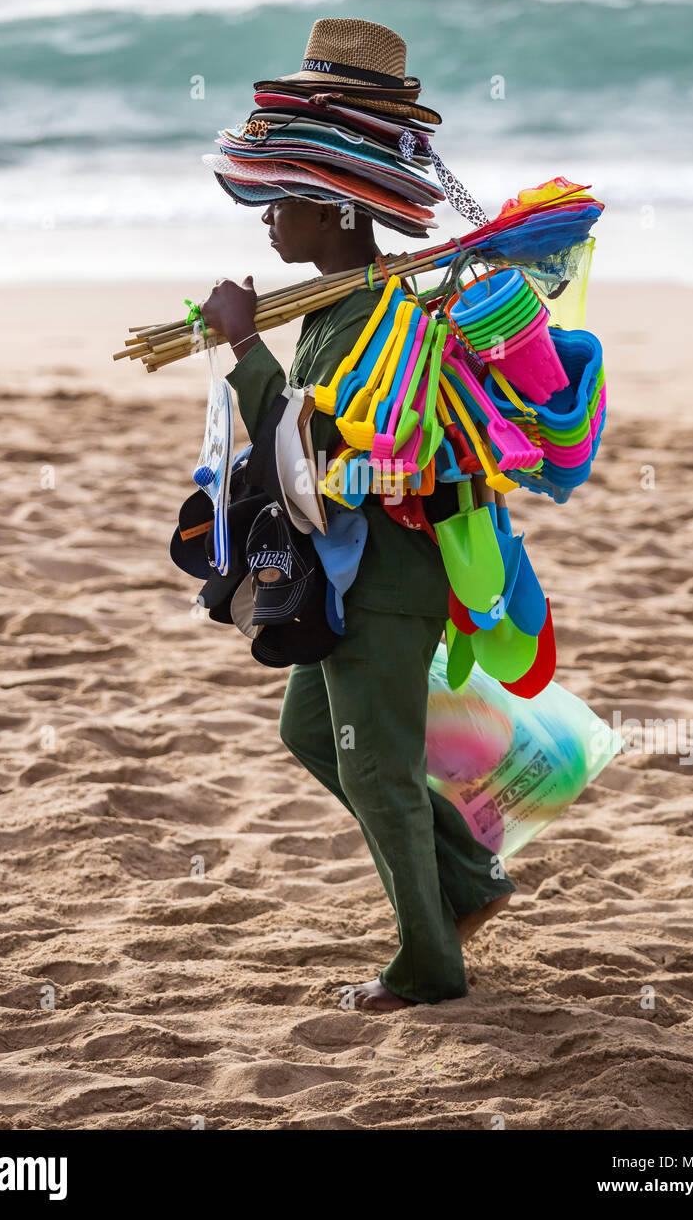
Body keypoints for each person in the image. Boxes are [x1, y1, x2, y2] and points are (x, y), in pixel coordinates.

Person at [199, 195, 515, 1012]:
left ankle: (428, 969)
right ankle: (470, 877)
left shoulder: (384, 312)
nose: (267, 217)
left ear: (339, 212)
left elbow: (311, 440)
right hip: (348, 572)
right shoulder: (337, 304)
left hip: (387, 576)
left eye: (283, 201)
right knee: (309, 730)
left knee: (379, 771)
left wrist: (242, 344)